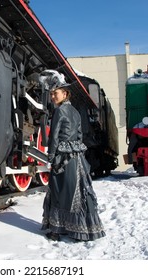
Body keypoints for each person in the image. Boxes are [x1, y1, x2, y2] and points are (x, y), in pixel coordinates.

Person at [39, 70, 105, 242]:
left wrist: (51, 158)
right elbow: (80, 135)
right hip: (76, 157)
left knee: (58, 191)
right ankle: (81, 228)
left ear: (65, 93)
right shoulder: (75, 111)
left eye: (56, 93)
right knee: (77, 192)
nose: (53, 96)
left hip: (62, 156)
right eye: (52, 93)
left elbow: (54, 137)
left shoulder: (59, 112)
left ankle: (56, 230)